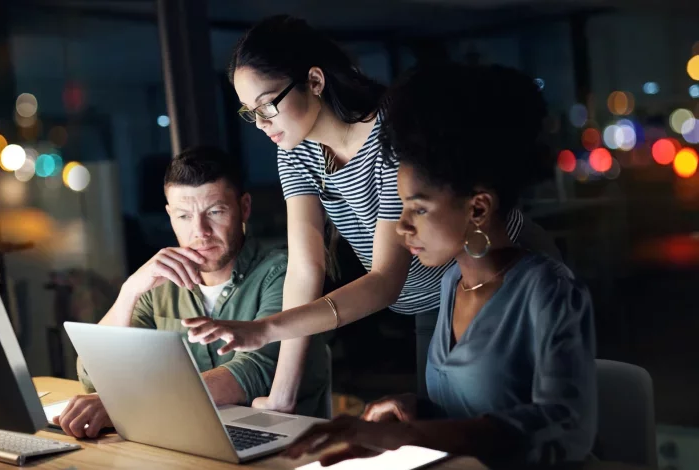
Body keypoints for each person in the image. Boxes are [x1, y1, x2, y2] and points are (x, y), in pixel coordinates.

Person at [182, 15, 560, 411]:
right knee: (444, 424)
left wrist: (266, 329)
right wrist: (282, 395)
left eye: (267, 105)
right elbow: (304, 270)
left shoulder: (393, 132)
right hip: (432, 298)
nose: (260, 124)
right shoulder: (294, 151)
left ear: (314, 81)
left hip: (495, 269)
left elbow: (385, 279)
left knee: (521, 420)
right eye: (248, 112)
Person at [282, 63, 597, 466]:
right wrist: (414, 410)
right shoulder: (452, 284)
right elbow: (470, 409)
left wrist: (410, 434)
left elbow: (565, 428)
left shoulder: (549, 290)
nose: (402, 228)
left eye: (419, 210)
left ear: (478, 208)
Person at [54, 147, 330, 439]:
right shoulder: (159, 283)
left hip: (283, 448)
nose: (200, 231)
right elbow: (92, 374)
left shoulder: (283, 273)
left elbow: (256, 371)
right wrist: (129, 290)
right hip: (187, 440)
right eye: (184, 216)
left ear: (244, 208)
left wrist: (131, 403)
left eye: (215, 211)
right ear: (170, 216)